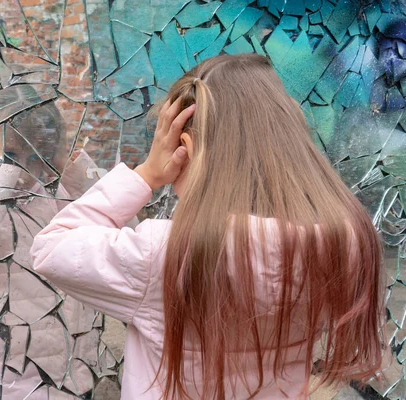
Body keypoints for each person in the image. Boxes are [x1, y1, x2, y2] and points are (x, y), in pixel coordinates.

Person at [30, 54, 385, 399]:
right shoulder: (342, 244)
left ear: (185, 147)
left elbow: (51, 247)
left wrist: (147, 174)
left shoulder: (167, 254)